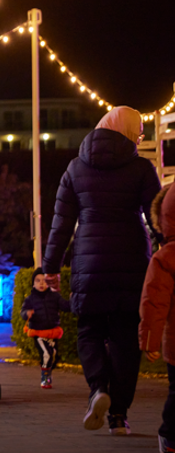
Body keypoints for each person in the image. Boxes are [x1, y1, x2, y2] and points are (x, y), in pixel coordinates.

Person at [44, 106, 161, 434]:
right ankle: (119, 416)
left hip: (89, 262)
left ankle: (99, 389)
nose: (140, 138)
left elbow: (61, 224)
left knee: (89, 331)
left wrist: (50, 267)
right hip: (131, 261)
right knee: (126, 337)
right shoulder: (140, 168)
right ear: (128, 131)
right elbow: (157, 219)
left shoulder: (75, 168)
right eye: (138, 132)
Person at [140, 184, 175, 452]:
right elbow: (155, 301)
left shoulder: (165, 256)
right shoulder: (167, 257)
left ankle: (169, 435)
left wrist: (151, 340)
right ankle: (169, 435)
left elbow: (154, 302)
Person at [22, 268, 72, 389]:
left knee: (53, 355)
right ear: (33, 283)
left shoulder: (55, 297)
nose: (41, 283)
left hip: (53, 332)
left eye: (44, 280)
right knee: (46, 354)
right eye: (38, 280)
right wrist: (27, 313)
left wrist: (73, 300)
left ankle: (48, 371)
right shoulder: (30, 299)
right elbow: (23, 311)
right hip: (38, 332)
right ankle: (45, 378)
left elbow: (65, 306)